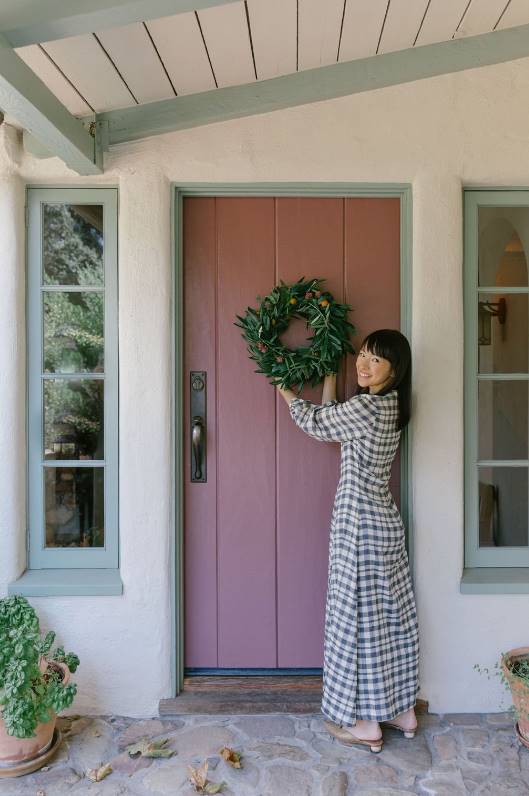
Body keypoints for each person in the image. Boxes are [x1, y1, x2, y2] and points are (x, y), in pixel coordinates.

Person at [276, 329, 419, 753]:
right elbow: (337, 419)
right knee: (389, 618)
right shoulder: (390, 406)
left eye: (375, 360)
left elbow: (316, 424)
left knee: (354, 621)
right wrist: (330, 380)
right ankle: (400, 711)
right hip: (385, 523)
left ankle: (363, 721)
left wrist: (283, 388)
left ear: (394, 370)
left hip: (358, 526)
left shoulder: (367, 407)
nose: (363, 363)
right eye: (362, 354)